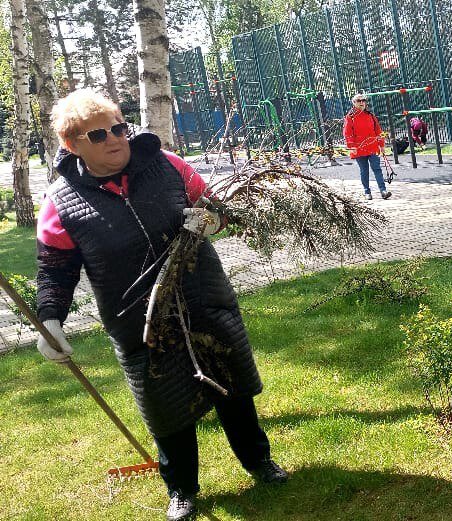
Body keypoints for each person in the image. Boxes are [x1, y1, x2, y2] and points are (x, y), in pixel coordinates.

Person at [35, 89, 288, 521]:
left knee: (233, 391)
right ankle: (182, 490)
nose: (116, 139)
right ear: (72, 145)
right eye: (99, 134)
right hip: (140, 322)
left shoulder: (168, 165)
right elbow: (55, 270)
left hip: (201, 298)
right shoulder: (60, 204)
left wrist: (213, 219)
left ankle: (258, 461)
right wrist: (51, 319)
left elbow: (216, 208)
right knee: (166, 410)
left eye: (119, 127)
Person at [343, 93, 392, 200]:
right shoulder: (350, 117)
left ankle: (383, 191)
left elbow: (378, 131)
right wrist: (352, 147)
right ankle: (367, 192)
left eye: (363, 100)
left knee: (377, 169)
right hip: (359, 149)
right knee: (364, 171)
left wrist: (382, 145)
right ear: (354, 103)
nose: (362, 103)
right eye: (359, 101)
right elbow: (347, 133)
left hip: (373, 147)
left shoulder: (370, 115)